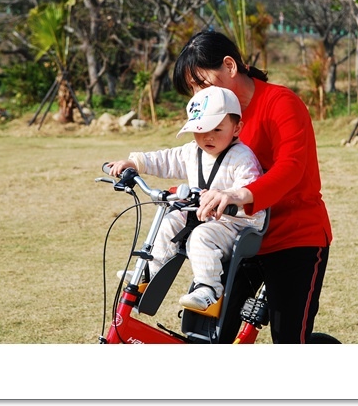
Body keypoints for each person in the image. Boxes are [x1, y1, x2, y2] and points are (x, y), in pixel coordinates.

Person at [172, 30, 333, 343]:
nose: (196, 96)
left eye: (201, 83)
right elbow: (204, 167)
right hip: (240, 235)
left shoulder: (281, 103)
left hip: (294, 237)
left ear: (230, 66)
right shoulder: (217, 118)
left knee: (288, 341)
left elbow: (291, 169)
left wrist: (238, 194)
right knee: (205, 333)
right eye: (191, 89)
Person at [106, 85, 266, 311]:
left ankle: (208, 289)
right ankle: (149, 271)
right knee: (170, 220)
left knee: (200, 236)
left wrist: (230, 199)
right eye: (200, 130)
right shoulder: (193, 152)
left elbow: (250, 189)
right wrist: (134, 163)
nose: (208, 137)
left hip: (235, 225)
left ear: (237, 127)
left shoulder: (242, 157)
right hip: (199, 216)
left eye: (217, 130)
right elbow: (165, 159)